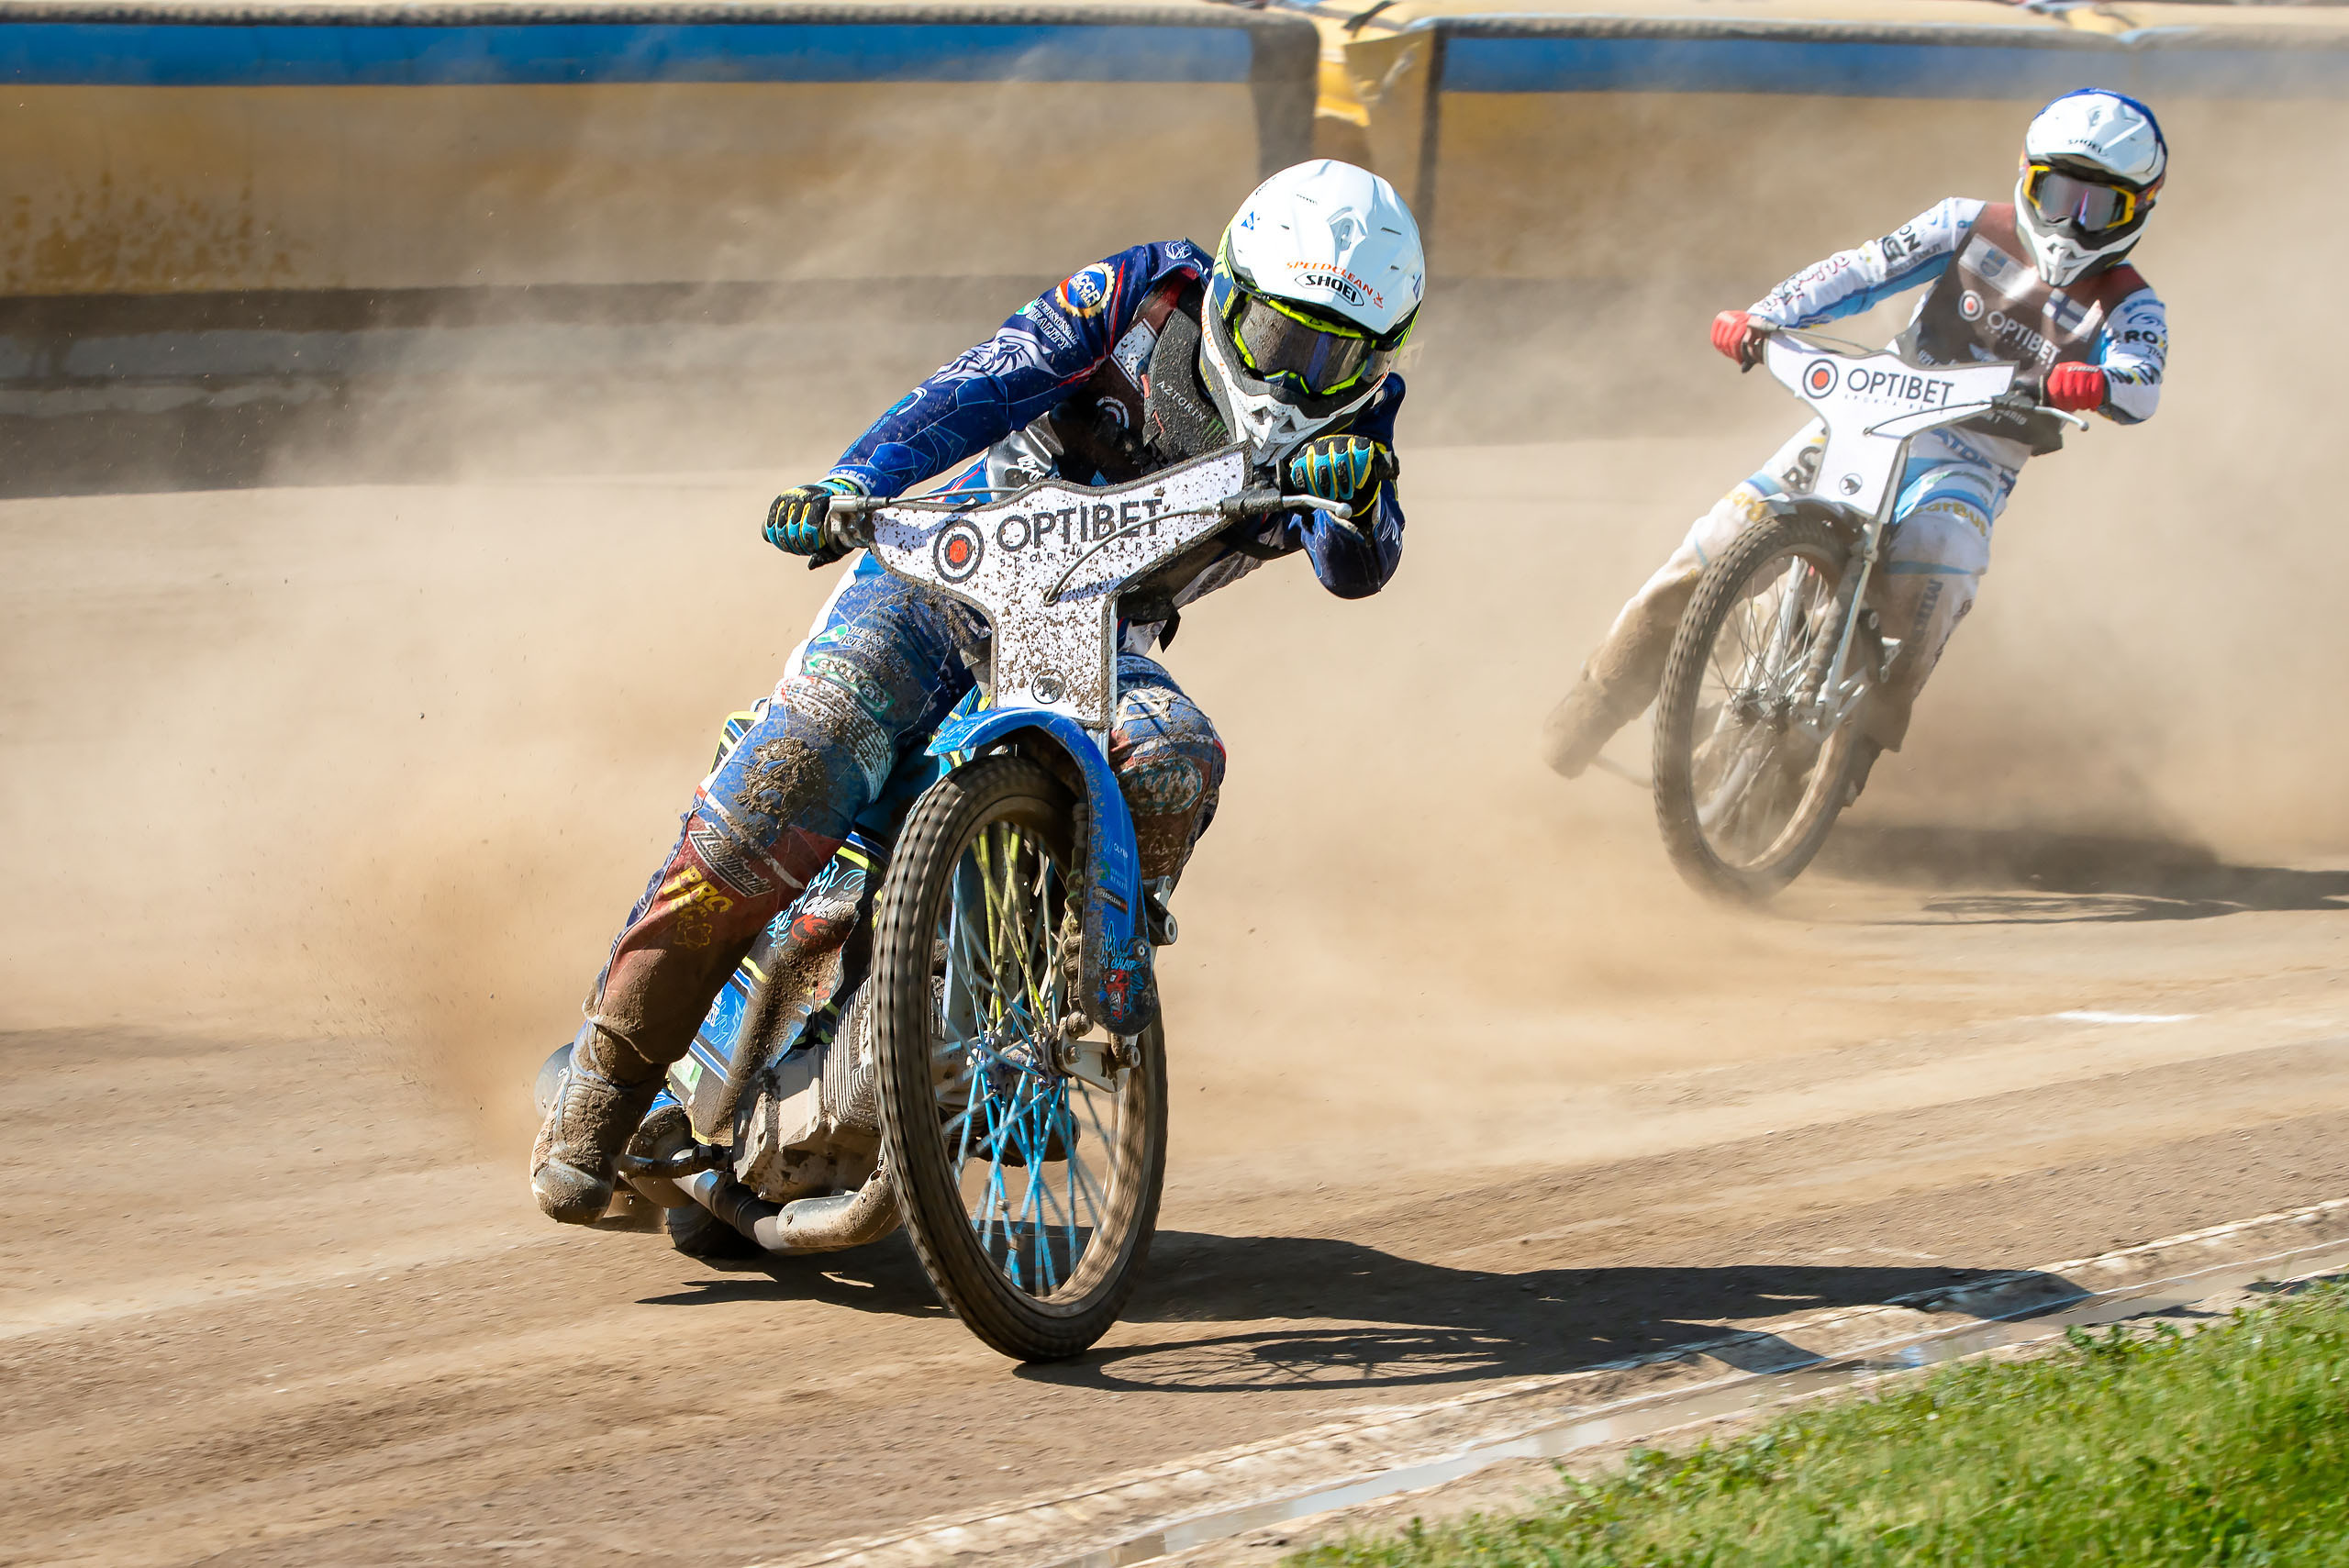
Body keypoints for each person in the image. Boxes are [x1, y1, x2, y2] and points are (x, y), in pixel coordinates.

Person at [532, 161, 1426, 1223]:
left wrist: (1355, 497)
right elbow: (983, 381)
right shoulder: (1142, 294)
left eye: (1335, 355)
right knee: (792, 771)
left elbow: (1357, 565)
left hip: (1095, 634)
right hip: (938, 575)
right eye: (1281, 336)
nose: (1297, 376)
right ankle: (603, 1089)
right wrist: (856, 480)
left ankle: (1056, 1016)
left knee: (1172, 756)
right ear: (1229, 292)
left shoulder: (1358, 429)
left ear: (1380, 355)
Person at [1542, 89, 2170, 788]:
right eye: (2056, 194)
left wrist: (2099, 384)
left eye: (2099, 207)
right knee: (1718, 540)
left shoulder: (2131, 303)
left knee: (1941, 557)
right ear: (2025, 177)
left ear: (2139, 209)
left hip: (1974, 458)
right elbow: (1864, 270)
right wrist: (1766, 316)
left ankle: (1858, 745)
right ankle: (1599, 696)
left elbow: (2141, 380)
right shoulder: (1964, 223)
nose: (2071, 222)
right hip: (1868, 408)